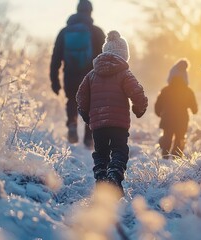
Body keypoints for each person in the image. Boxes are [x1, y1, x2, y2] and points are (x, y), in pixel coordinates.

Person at [76, 30, 148, 197]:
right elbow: (137, 92)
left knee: (100, 152)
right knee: (119, 150)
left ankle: (101, 178)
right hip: (119, 123)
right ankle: (115, 175)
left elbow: (81, 96)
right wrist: (139, 108)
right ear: (124, 56)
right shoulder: (124, 73)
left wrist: (85, 114)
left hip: (98, 124)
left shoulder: (91, 75)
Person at [50, 0, 105, 146]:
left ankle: (72, 125)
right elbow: (105, 58)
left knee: (72, 101)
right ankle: (88, 137)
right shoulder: (97, 32)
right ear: (90, 12)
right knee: (92, 105)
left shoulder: (64, 32)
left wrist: (54, 80)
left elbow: (56, 57)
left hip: (70, 75)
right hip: (91, 76)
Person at [154, 59, 198, 159]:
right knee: (179, 139)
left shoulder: (165, 90)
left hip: (167, 119)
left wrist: (159, 113)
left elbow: (157, 105)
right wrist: (192, 108)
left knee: (167, 138)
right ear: (185, 77)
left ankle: (164, 157)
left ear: (170, 76)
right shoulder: (188, 91)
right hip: (182, 120)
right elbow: (195, 109)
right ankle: (176, 159)